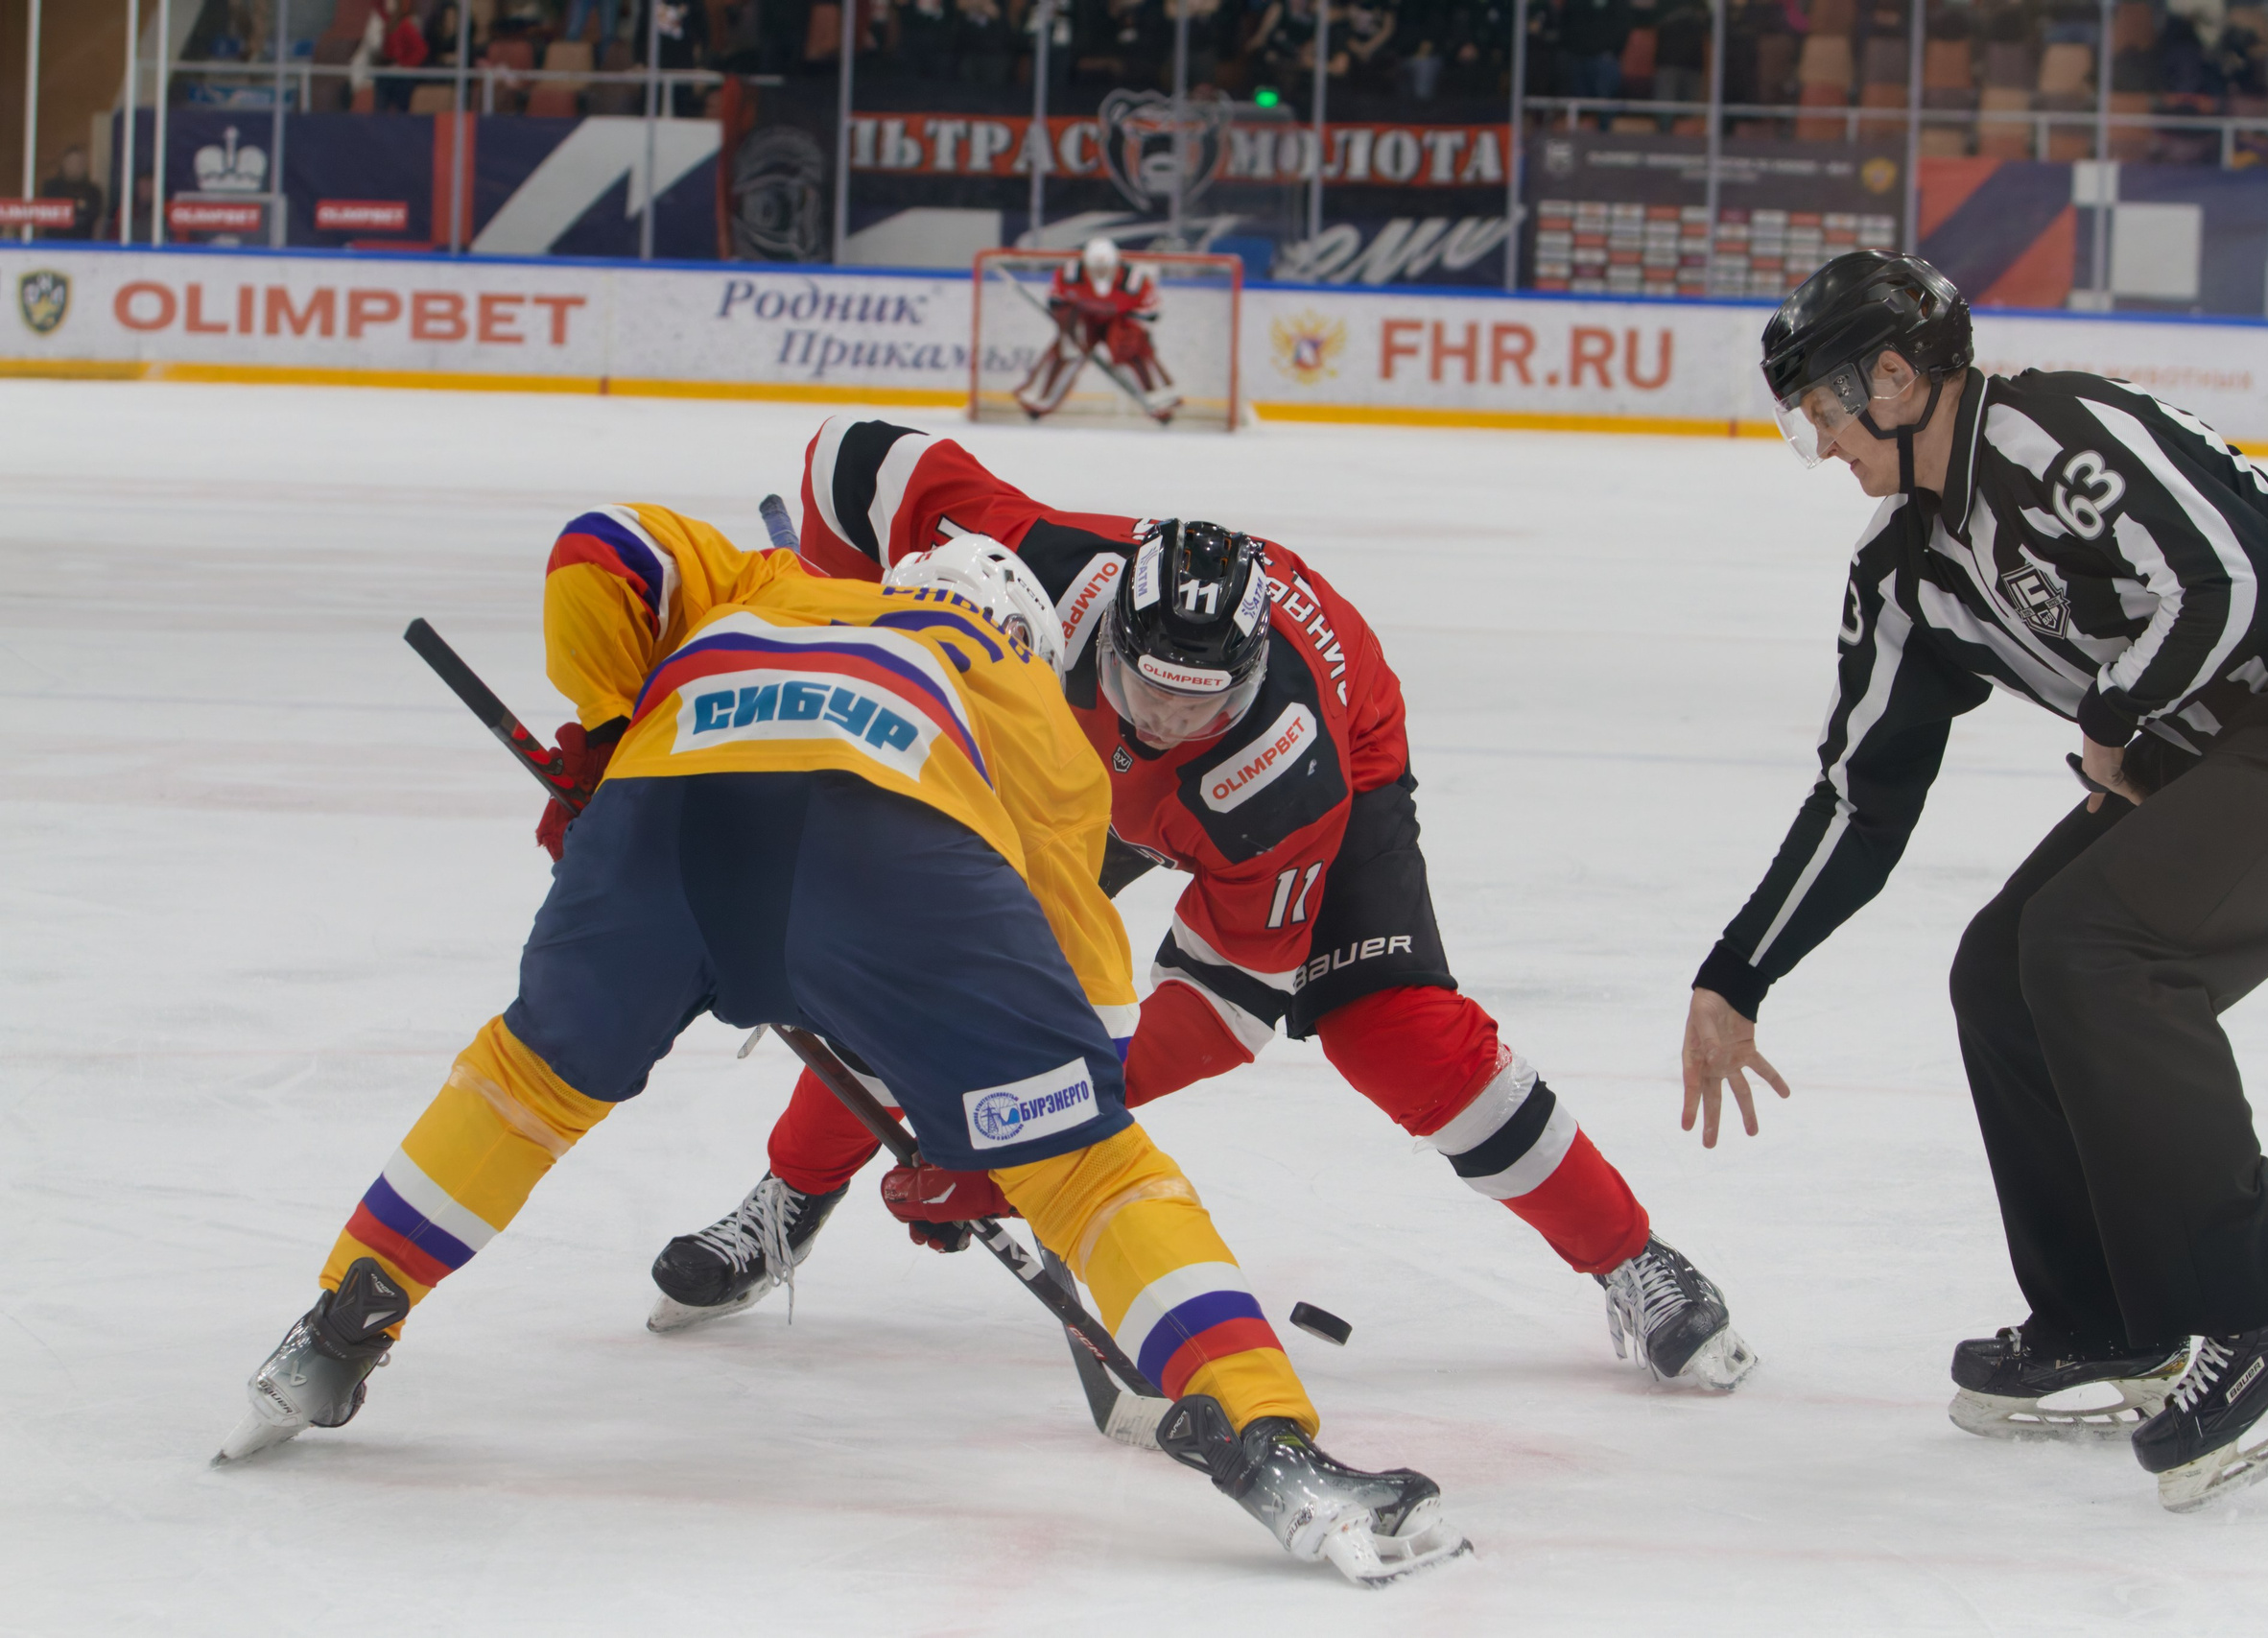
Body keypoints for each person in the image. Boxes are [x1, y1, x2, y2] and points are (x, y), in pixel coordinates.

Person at [213, 503, 1464, 1586]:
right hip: (892, 848)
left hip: (661, 823)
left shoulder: (771, 585)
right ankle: (1270, 1439)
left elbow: (601, 547)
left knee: (524, 1086)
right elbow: (1094, 1016)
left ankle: (339, 1324)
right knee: (1097, 1169)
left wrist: (605, 727)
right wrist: (997, 1145)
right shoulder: (1023, 694)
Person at [650, 419, 1761, 1395]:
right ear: (1108, 637)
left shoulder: (1281, 772)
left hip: (1324, 758)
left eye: (1200, 704)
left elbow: (1222, 1012)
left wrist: (1018, 1136)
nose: (1165, 724)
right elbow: (852, 460)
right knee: (909, 946)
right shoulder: (1038, 572)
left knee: (1394, 1029)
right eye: (1146, 689)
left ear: (1249, 676)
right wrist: (832, 622)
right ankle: (790, 1197)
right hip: (1061, 766)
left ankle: (1633, 1257)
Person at [1680, 250, 2268, 1511]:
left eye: (1823, 408)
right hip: (2219, 755)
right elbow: (1862, 796)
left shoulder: (2051, 431)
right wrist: (1736, 973)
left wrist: (2111, 717)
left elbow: (2232, 577)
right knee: (2003, 967)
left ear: (1893, 375)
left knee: (2096, 944)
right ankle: (2109, 1322)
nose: (1821, 443)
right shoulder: (1903, 573)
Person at [1014, 238, 1182, 422]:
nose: (1101, 271)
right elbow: (1057, 301)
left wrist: (1128, 334)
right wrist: (1068, 326)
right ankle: (1040, 398)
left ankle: (1161, 401)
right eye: (1095, 267)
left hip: (1122, 320)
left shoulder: (1135, 281)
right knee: (1068, 349)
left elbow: (1152, 312)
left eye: (1106, 267)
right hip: (1085, 318)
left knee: (1131, 350)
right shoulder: (1069, 274)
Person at [36, 147, 106, 240]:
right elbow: (40, 218)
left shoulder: (93, 192)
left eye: (79, 163)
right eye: (71, 162)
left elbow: (98, 222)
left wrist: (96, 246)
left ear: (85, 166)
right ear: (64, 164)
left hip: (83, 244)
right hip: (53, 243)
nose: (75, 167)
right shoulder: (51, 188)